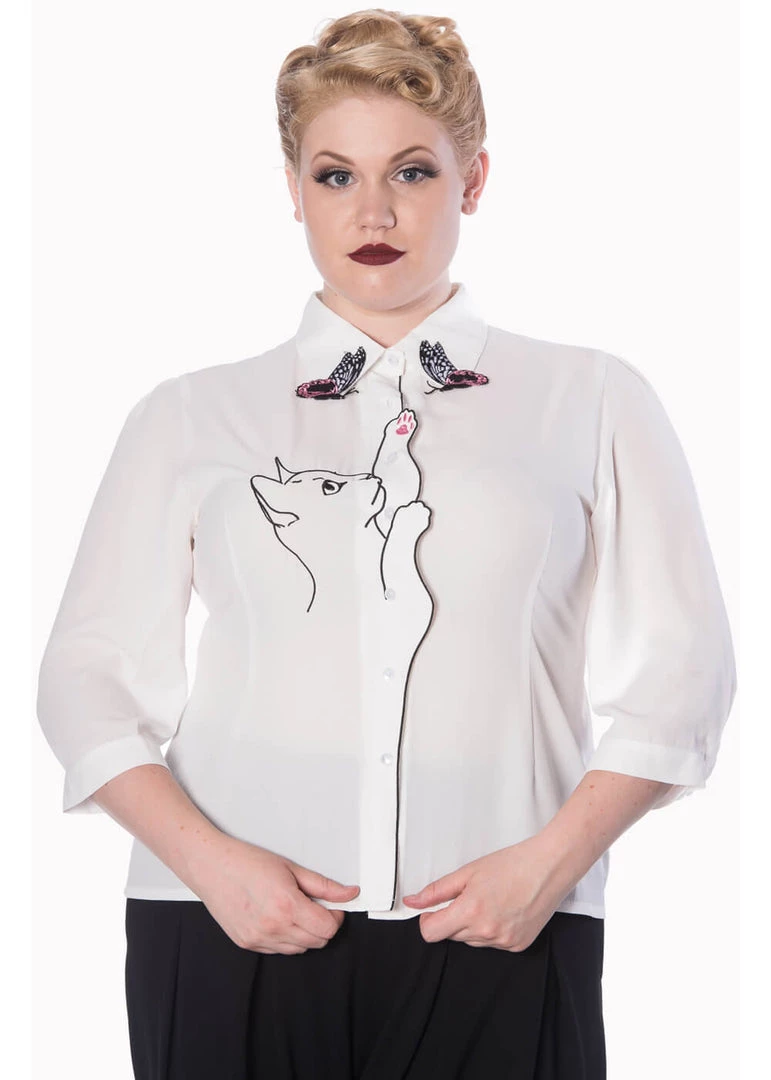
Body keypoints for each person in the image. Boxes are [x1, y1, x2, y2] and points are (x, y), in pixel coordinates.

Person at [35, 8, 737, 1079]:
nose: (373, 211)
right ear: (292, 188)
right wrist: (210, 866)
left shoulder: (591, 397)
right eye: (335, 176)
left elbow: (685, 674)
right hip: (225, 923)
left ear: (473, 179)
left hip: (504, 921)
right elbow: (86, 678)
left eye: (412, 171)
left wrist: (550, 866)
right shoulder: (188, 415)